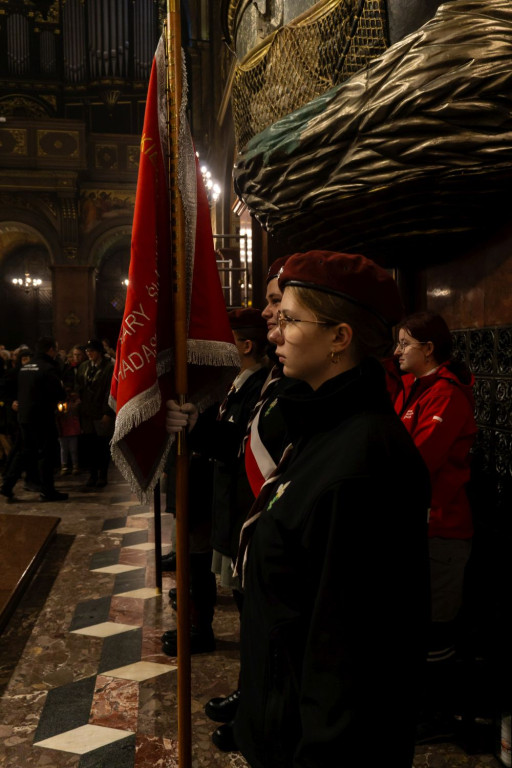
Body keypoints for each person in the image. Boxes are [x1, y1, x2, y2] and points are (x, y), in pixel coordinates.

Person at [229, 250, 430, 768]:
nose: (274, 331)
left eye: (290, 319)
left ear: (340, 338)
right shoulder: (321, 429)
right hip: (280, 723)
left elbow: (351, 656)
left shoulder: (361, 461)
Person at [161, 308, 270, 658]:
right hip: (213, 496)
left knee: (245, 601)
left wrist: (199, 429)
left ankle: (202, 631)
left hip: (232, 504)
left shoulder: (260, 386)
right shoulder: (234, 383)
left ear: (247, 345)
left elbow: (238, 443)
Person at [393, 311, 477, 739]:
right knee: (414, 626)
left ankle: (436, 715)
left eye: (405, 344)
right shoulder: (412, 389)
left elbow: (417, 460)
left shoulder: (447, 394)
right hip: (414, 528)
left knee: (436, 629)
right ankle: (417, 709)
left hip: (442, 529)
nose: (397, 352)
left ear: (428, 349)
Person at [1, 337, 68, 503]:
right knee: (47, 453)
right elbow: (58, 393)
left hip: (24, 416)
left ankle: (7, 486)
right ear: (51, 350)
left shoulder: (25, 368)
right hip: (42, 417)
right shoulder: (47, 368)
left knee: (25, 452)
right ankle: (47, 491)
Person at [76, 339, 115, 488]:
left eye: (92, 351)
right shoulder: (84, 367)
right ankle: (92, 475)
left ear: (99, 352)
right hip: (87, 412)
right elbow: (79, 384)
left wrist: (107, 413)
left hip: (101, 411)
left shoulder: (109, 367)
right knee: (90, 444)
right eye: (87, 351)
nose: (89, 354)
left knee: (102, 445)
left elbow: (109, 392)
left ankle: (102, 475)